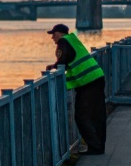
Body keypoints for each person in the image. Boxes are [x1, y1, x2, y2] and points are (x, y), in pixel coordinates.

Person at [45, 23, 106, 155]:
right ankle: (99, 146)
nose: (52, 38)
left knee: (81, 116)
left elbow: (63, 59)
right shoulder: (73, 40)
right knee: (97, 115)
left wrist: (53, 66)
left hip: (88, 82)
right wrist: (56, 65)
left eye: (53, 34)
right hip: (95, 78)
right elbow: (69, 59)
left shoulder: (63, 42)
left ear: (60, 34)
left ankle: (95, 147)